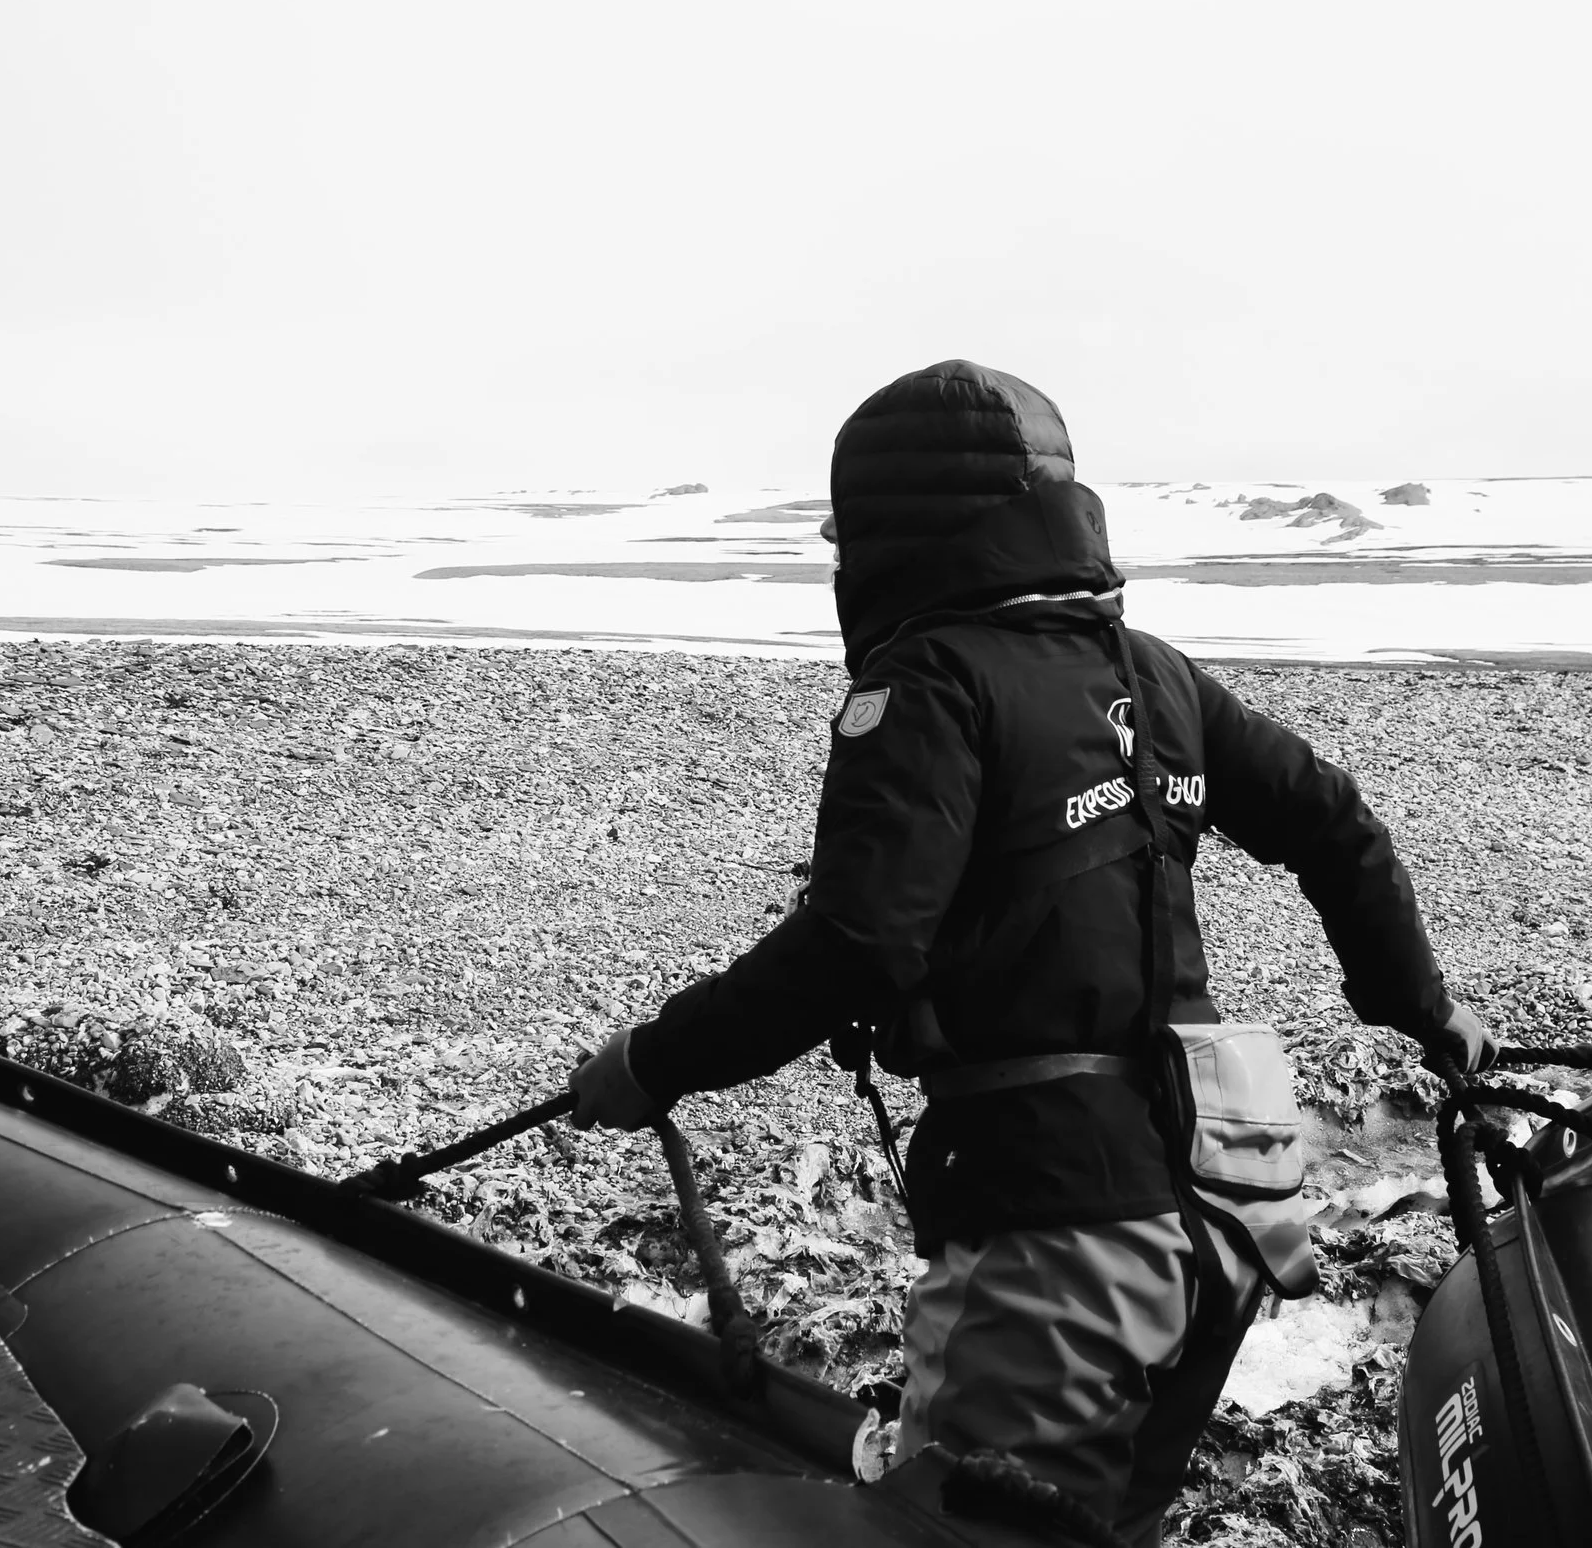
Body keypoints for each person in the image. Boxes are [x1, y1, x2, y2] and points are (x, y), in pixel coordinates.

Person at [569, 360, 1491, 1546]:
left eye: (842, 535)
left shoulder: (929, 682)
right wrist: (1426, 1009)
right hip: (1229, 1215)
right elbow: (1336, 825)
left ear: (894, 532)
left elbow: (855, 944)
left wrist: (651, 1061)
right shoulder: (1152, 673)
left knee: (963, 1532)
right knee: (1109, 1525)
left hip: (1057, 1235)